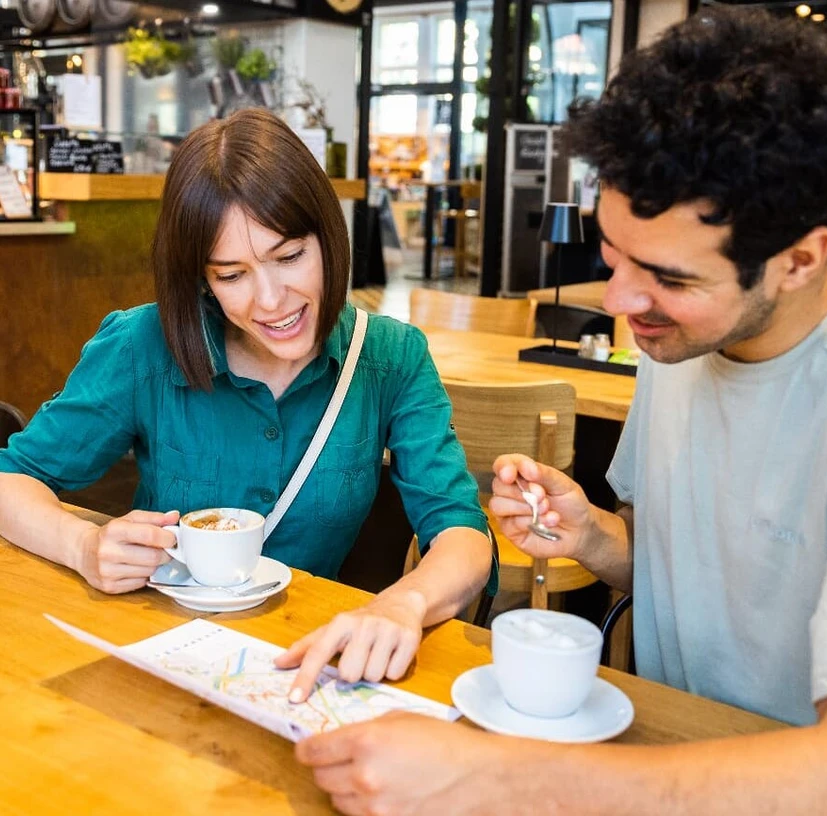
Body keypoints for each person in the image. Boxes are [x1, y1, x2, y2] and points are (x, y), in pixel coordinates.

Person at [293, 7, 827, 814]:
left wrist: (496, 777)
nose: (621, 301)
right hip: (661, 751)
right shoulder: (681, 343)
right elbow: (709, 579)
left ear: (800, 259)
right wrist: (598, 537)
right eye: (611, 254)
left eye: (668, 277)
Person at [0, 109, 493, 693]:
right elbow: (13, 478)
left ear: (328, 237)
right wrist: (83, 546)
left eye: (289, 257)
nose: (271, 301)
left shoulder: (390, 358)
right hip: (156, 653)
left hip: (304, 668)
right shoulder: (142, 345)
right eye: (232, 275)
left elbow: (462, 532)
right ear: (202, 279)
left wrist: (403, 604)